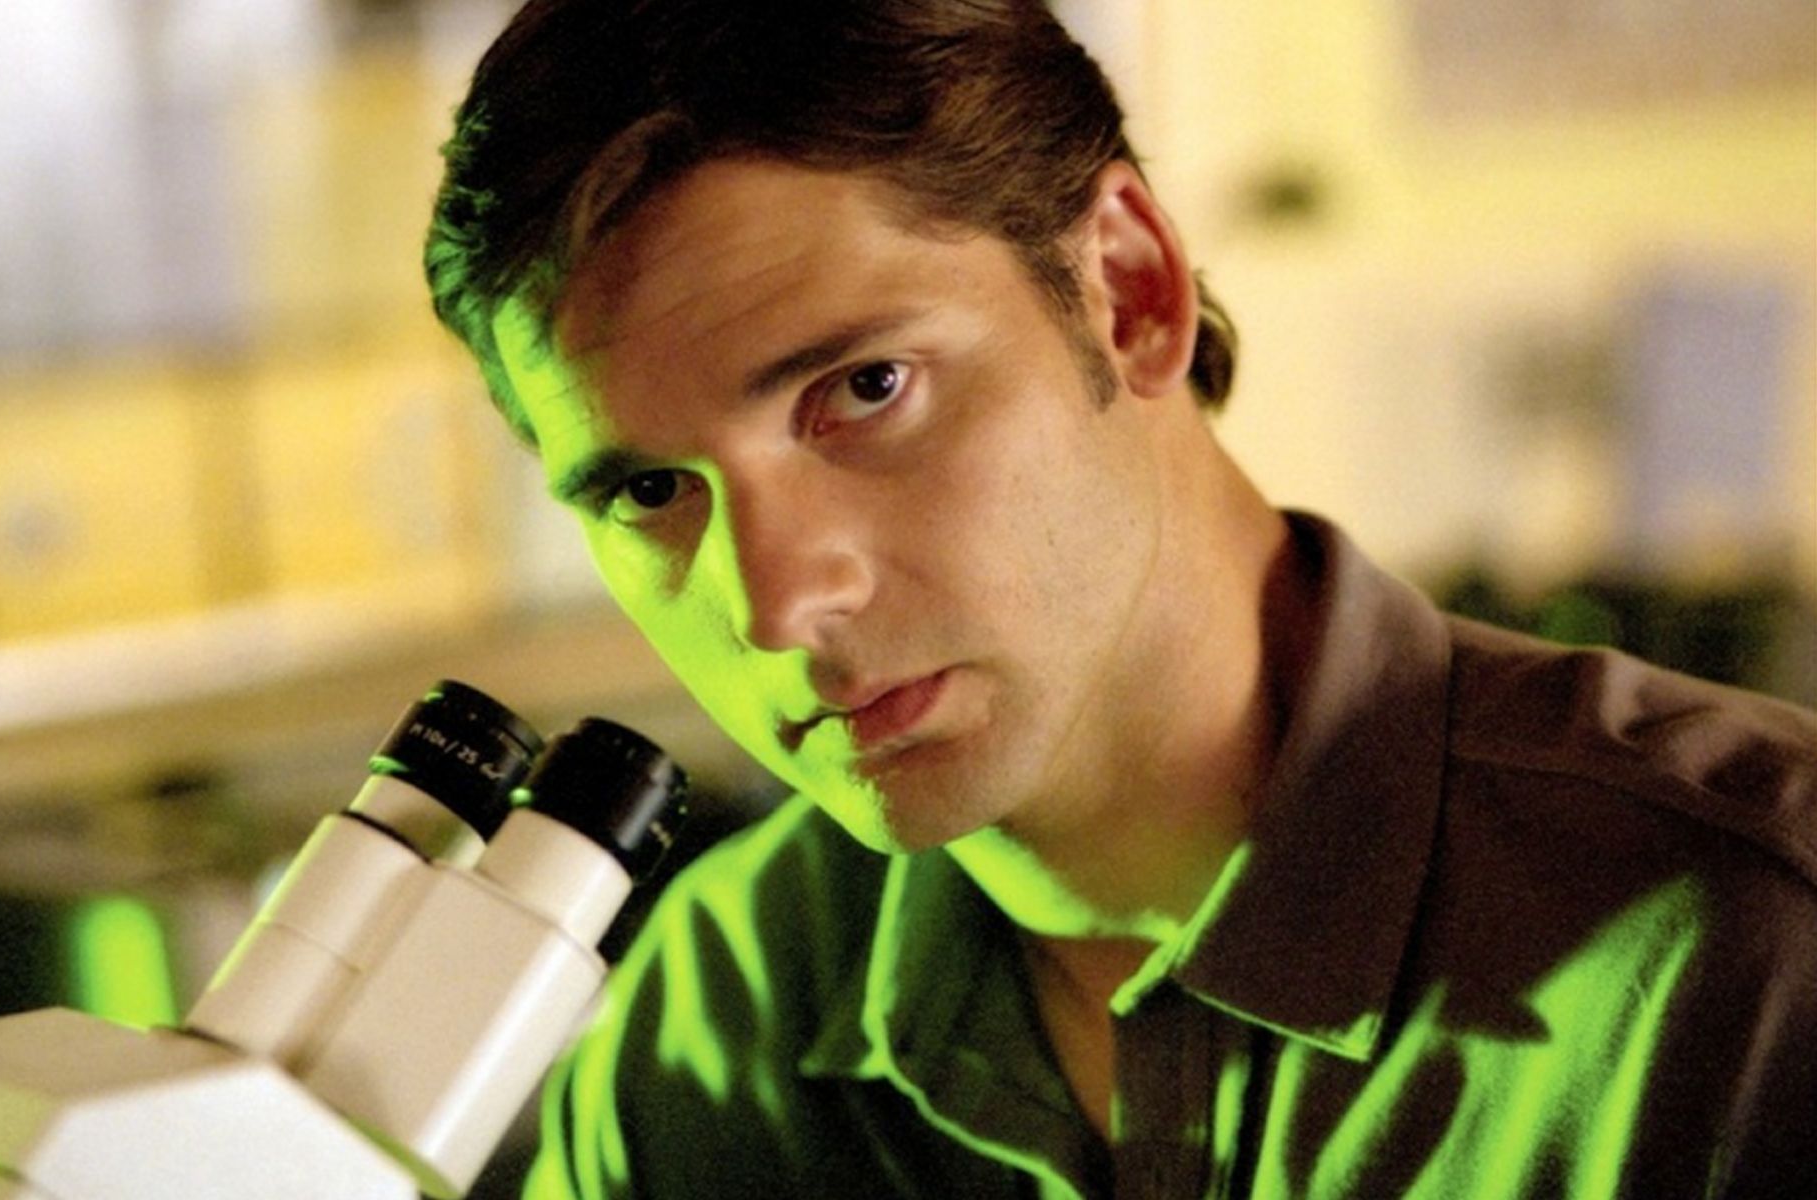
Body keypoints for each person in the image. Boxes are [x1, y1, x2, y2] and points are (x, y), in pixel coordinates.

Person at [425, 2, 1817, 1196]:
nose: (777, 604)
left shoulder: (1747, 955)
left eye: (865, 389)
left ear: (1131, 292)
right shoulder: (716, 1016)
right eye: (646, 493)